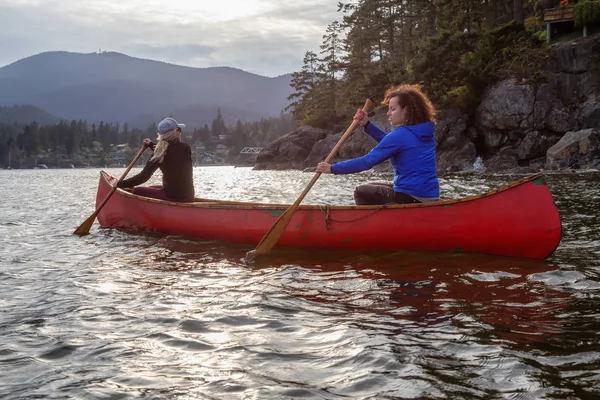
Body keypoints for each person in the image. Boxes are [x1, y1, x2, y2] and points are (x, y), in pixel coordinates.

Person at [316, 84, 439, 205]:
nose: (388, 113)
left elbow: (367, 162)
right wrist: (367, 125)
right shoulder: (424, 131)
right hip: (430, 195)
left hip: (411, 196)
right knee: (372, 186)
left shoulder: (400, 135)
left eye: (393, 109)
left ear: (406, 110)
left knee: (361, 191)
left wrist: (332, 168)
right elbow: (391, 142)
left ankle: (378, 224)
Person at [117, 117, 195, 202]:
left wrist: (120, 184)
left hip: (173, 197)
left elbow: (143, 177)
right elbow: (171, 153)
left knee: (136, 190)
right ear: (175, 133)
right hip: (189, 196)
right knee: (152, 187)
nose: (180, 133)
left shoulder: (160, 153)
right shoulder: (186, 148)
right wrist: (151, 145)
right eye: (179, 130)